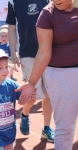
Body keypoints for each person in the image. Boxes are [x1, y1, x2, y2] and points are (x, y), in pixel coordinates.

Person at [15, 0, 78, 150]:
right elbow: (43, 52)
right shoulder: (47, 14)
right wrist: (31, 83)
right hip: (61, 74)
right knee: (65, 127)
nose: (56, 0)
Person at [6, 0, 54, 143]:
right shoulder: (13, 2)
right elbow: (11, 28)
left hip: (47, 51)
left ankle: (46, 128)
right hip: (26, 52)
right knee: (32, 94)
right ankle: (25, 114)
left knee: (49, 94)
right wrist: (13, 52)